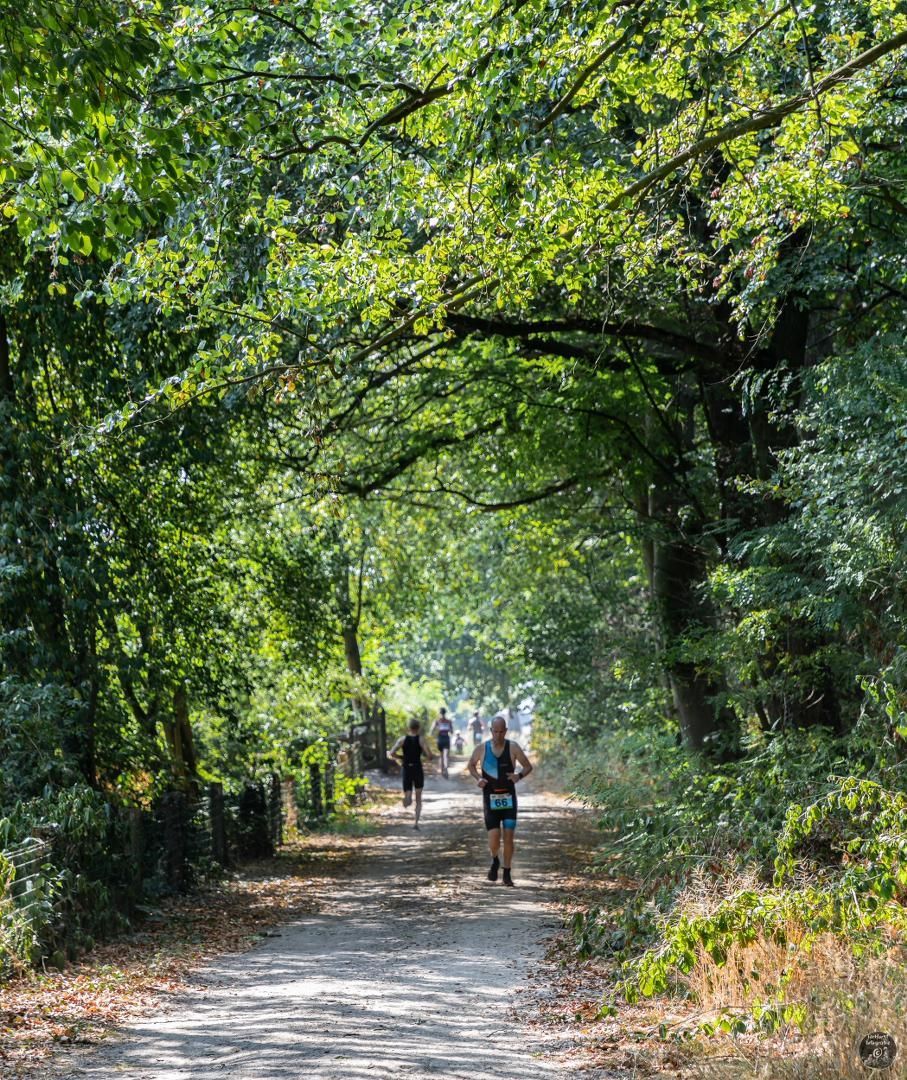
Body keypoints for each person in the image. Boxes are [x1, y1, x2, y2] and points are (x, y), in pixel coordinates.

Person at [467, 713, 533, 886]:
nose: (498, 735)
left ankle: (507, 872)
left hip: (509, 799)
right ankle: (495, 859)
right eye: (495, 732)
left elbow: (528, 766)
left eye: (501, 732)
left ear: (506, 731)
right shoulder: (482, 748)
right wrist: (478, 779)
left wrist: (519, 775)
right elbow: (471, 765)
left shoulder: (513, 747)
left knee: (509, 837)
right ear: (490, 731)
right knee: (494, 840)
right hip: (490, 799)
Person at [388, 718, 434, 830]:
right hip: (417, 768)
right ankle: (416, 823)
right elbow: (430, 755)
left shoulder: (402, 739)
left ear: (409, 728)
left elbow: (392, 753)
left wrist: (401, 757)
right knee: (418, 797)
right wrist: (424, 759)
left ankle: (407, 798)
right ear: (418, 728)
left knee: (408, 794)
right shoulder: (421, 740)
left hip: (406, 768)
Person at [430, 706, 454, 778]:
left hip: (440, 738)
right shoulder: (449, 721)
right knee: (446, 755)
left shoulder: (437, 721)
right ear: (445, 713)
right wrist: (448, 729)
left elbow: (432, 730)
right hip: (446, 738)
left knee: (441, 755)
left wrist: (433, 735)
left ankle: (442, 770)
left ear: (439, 713)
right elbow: (452, 731)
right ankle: (445, 768)